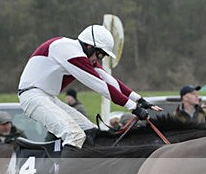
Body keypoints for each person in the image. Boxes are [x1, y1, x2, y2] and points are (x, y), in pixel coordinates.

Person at [17, 24, 158, 149]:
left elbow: (108, 79)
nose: (99, 59)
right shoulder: (69, 51)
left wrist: (139, 100)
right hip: (32, 96)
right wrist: (133, 107)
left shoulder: (81, 54)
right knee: (74, 135)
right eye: (100, 54)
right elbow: (100, 86)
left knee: (92, 132)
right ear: (89, 46)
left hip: (47, 97)